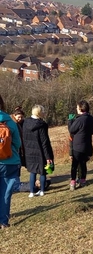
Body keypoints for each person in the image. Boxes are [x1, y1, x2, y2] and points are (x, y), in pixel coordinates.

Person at [23, 105, 54, 197]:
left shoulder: (25, 123)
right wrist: (48, 156)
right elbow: (44, 142)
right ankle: (42, 191)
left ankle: (31, 192)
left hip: (29, 151)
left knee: (33, 172)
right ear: (40, 113)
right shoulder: (42, 125)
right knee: (42, 172)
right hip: (40, 151)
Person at [0, 94, 21, 229]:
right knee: (5, 193)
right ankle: (3, 222)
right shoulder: (10, 121)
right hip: (9, 161)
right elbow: (18, 144)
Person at [68, 100, 93, 191]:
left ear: (80, 108)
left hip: (77, 146)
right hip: (87, 145)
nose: (76, 109)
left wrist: (70, 121)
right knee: (83, 164)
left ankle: (73, 182)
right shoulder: (91, 118)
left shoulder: (79, 119)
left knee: (74, 165)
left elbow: (72, 130)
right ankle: (83, 180)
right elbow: (92, 131)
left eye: (77, 107)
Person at [10, 106, 25, 192]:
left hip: (18, 148)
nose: (20, 119)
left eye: (22, 117)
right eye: (19, 117)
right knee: (16, 166)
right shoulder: (13, 124)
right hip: (15, 148)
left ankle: (16, 182)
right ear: (14, 116)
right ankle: (15, 183)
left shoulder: (19, 123)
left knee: (18, 166)